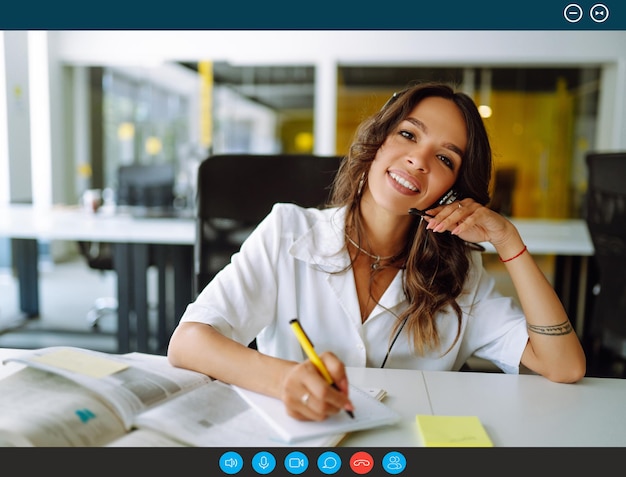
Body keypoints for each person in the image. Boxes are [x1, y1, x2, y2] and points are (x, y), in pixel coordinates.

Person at [168, 81, 586, 422]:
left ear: (453, 189)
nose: (418, 160)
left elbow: (564, 366)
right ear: (376, 141)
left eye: (444, 158)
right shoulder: (287, 231)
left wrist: (509, 242)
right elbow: (188, 343)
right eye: (408, 134)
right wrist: (284, 380)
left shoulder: (460, 275)